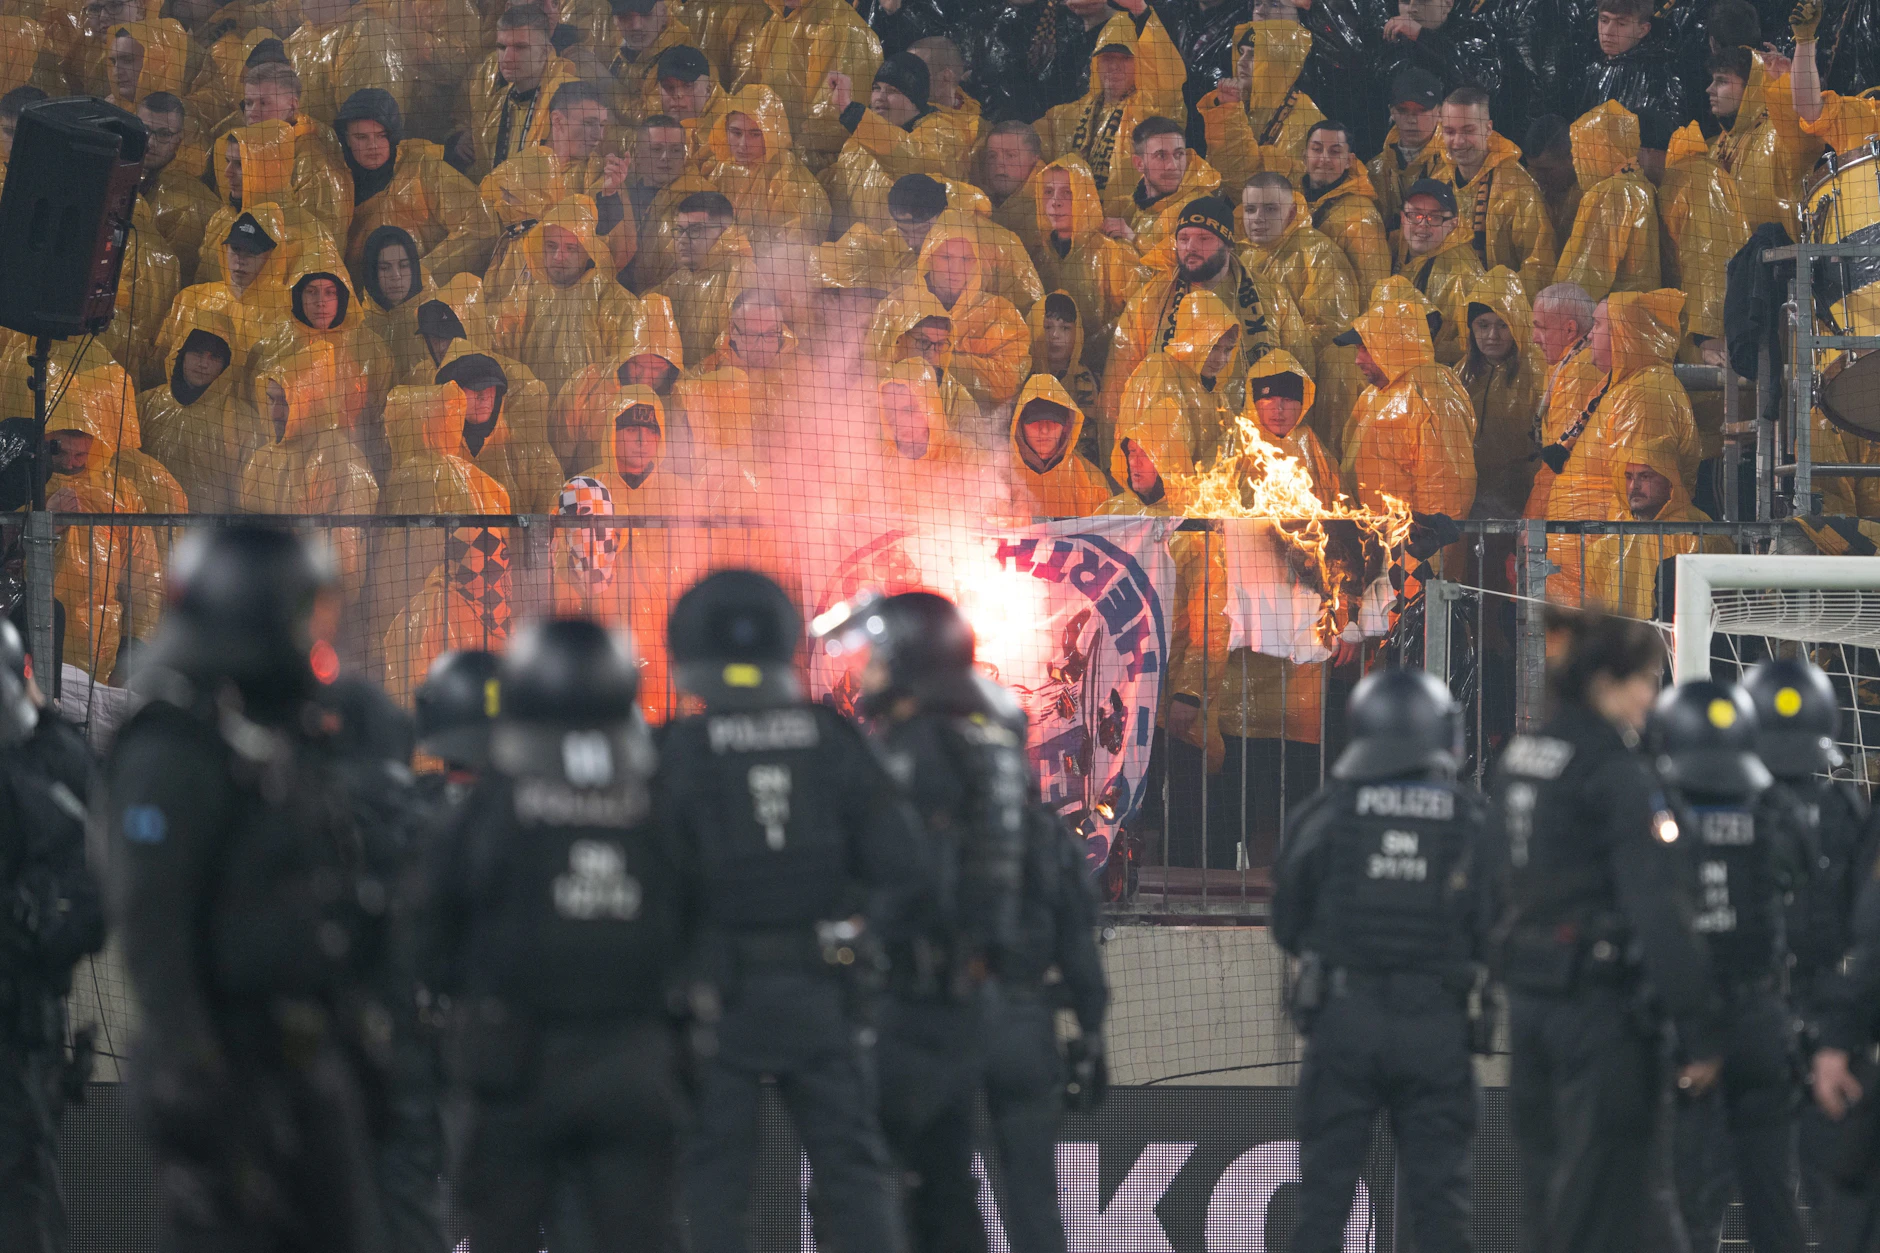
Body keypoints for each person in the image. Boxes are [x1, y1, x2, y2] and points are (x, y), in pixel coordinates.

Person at [102, 526, 388, 1252]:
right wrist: (195, 1068)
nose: (317, 633)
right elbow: (151, 924)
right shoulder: (174, 744)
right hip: (227, 1069)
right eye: (306, 612)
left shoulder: (281, 732)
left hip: (308, 1062)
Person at [660, 569, 924, 1253]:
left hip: (715, 999)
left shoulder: (680, 750)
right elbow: (903, 863)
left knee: (716, 1184)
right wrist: (855, 928)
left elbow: (651, 877)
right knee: (854, 1174)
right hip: (821, 989)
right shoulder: (829, 737)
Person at [420, 617, 687, 1253]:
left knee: (500, 1233)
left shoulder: (496, 800)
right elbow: (699, 911)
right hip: (636, 1058)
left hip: (515, 1062)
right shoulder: (660, 794)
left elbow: (429, 920)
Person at [1493, 609, 1723, 1253]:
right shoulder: (1615, 771)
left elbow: (1488, 879)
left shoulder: (1519, 758)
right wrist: (1700, 1030)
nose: (1653, 696)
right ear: (1605, 683)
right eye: (1645, 680)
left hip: (1532, 1001)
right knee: (1604, 1198)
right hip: (1601, 1011)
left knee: (1544, 1193)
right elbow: (1658, 906)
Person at [821, 590, 1028, 1253]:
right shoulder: (986, 737)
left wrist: (851, 935)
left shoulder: (915, 748)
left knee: (852, 1185)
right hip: (966, 995)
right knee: (942, 1188)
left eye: (878, 655)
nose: (867, 671)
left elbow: (913, 877)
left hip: (912, 1000)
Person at [1273, 667, 1496, 1253]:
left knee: (1322, 1207)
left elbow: (1286, 924)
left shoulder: (1327, 812)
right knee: (1441, 1211)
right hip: (1437, 1027)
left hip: (1344, 1021)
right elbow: (1498, 926)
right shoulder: (1470, 819)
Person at [1642, 679, 1810, 1253]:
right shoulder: (1773, 812)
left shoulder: (1654, 821)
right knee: (1773, 1198)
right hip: (1761, 1018)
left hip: (1688, 1031)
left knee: (1690, 1198)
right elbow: (1811, 908)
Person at [1741, 658, 1877, 1252]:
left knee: (1744, 1190)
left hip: (1755, 1019)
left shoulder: (1729, 812)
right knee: (1835, 1198)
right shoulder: (1845, 811)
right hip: (1828, 1024)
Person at [0, 618, 103, 1253]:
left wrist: (49, 937)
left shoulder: (53, 762)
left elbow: (100, 883)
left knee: (27, 1204)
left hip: (25, 1022)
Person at [985, 798, 1108, 1253]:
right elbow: (1077, 942)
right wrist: (1091, 1029)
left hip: (940, 1020)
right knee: (1034, 1193)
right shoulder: (1046, 834)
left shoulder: (919, 815)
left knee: (937, 1185)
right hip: (1022, 1019)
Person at [1097, 194, 1313, 435]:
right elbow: (1117, 387)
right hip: (1170, 444)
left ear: (1228, 244)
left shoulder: (1272, 298)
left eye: (1204, 238)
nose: (1190, 247)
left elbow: (1301, 375)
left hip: (1252, 448)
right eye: (1183, 238)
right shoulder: (1150, 299)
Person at [1543, 291, 1699, 603]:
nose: (1590, 334)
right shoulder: (1621, 388)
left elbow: (1642, 496)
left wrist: (1612, 562)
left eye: (1599, 325)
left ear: (1625, 335)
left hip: (1614, 568)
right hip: (1588, 565)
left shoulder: (1645, 394)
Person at [1238, 170, 1364, 446]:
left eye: (1270, 209)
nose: (1258, 218)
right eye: (1251, 209)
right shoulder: (1244, 257)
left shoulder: (1316, 252)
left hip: (1300, 384)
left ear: (1291, 212)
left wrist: (1278, 357)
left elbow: (1332, 329)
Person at [1335, 282, 1478, 520]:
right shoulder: (1373, 393)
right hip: (1371, 534)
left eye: (1366, 349)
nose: (1358, 360)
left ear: (1390, 346)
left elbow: (1446, 480)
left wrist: (1428, 542)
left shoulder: (1432, 394)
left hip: (1410, 542)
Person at [335, 87, 497, 290]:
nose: (373, 145)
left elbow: (483, 225)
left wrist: (418, 277)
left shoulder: (425, 170)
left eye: (381, 135)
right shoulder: (336, 185)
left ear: (393, 135)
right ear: (346, 139)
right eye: (361, 137)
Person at [489, 197, 646, 400]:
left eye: (571, 248)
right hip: (535, 414)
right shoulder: (524, 296)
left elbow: (628, 369)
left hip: (593, 419)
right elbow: (498, 352)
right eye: (551, 246)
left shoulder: (613, 300)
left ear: (588, 252)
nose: (558, 257)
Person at [1039, 11, 1189, 220]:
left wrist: (1143, 11)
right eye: (1108, 58)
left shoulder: (1149, 107)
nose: (1115, 66)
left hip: (1129, 222)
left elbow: (1167, 78)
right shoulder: (1065, 115)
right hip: (1073, 222)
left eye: (1126, 58)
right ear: (1096, 63)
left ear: (1140, 64)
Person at [823, 54, 974, 237]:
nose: (880, 97)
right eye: (876, 88)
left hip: (906, 259)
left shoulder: (943, 135)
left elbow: (912, 161)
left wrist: (849, 109)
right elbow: (833, 186)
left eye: (893, 90)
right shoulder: (858, 141)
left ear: (915, 99)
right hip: (848, 255)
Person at [1583, 432, 1730, 617]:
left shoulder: (1702, 537)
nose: (1633, 486)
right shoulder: (1605, 548)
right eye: (1628, 476)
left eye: (1645, 476)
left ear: (1671, 482)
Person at [1430, 86, 1557, 300]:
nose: (1458, 142)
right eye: (1450, 131)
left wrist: (1493, 305)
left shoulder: (1518, 190)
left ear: (1488, 129)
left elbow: (1539, 267)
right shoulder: (1438, 182)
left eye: (1468, 130)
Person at [732, 0, 883, 173]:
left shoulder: (844, 29)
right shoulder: (780, 20)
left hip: (811, 168)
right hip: (770, 156)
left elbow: (831, 124)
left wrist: (786, 156)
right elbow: (754, 87)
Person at [1032, 155, 1148, 373]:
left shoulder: (1113, 253)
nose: (1055, 201)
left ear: (1085, 197)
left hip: (1103, 372)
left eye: (1067, 193)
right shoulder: (1038, 256)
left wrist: (1090, 350)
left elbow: (1140, 316)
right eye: (1048, 192)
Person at [1113, 287, 1243, 478]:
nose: (1220, 359)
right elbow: (1151, 451)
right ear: (1192, 338)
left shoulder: (1215, 392)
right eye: (1213, 347)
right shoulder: (1159, 371)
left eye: (1227, 350)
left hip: (1202, 500)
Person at [455, 4, 580, 180]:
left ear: (544, 51)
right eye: (501, 47)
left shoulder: (571, 100)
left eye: (520, 47)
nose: (507, 58)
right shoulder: (498, 101)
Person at [1554, 101, 1662, 302]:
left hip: (1607, 322)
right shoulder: (1641, 185)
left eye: (1578, 150)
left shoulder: (1609, 193)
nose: (1575, 161)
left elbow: (1587, 274)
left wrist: (1558, 316)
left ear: (1599, 149)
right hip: (1635, 316)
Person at [1457, 267, 1543, 518]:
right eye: (1482, 325)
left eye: (1503, 325)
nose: (1492, 336)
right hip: (1470, 495)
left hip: (1522, 496)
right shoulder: (1461, 372)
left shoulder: (1539, 373)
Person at [1196, 20, 1324, 187]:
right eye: (1241, 52)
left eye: (1253, 55)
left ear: (1278, 61)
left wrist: (1228, 113)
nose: (1241, 62)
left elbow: (1258, 187)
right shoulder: (1241, 104)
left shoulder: (1304, 121)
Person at [700, 84, 831, 240]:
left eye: (755, 134)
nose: (743, 144)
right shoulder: (716, 167)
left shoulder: (787, 176)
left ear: (772, 134)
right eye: (736, 132)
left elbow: (793, 240)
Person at [651, 190, 753, 370]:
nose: (683, 240)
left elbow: (740, 352)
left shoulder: (741, 274)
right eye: (680, 231)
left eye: (695, 230)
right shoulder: (680, 278)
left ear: (724, 232)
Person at [1300, 120, 1392, 305]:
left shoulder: (1361, 217)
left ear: (1349, 161)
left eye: (1335, 152)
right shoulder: (1293, 199)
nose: (1324, 159)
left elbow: (1373, 292)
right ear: (1304, 156)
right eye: (1317, 149)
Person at [1394, 178, 1484, 364]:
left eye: (1435, 217)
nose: (1423, 225)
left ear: (1453, 224)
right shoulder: (1397, 248)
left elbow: (1464, 349)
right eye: (1415, 215)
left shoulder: (1459, 272)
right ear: (1403, 218)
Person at [136, 91, 221, 280]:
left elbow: (175, 278)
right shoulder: (119, 171)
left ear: (178, 140)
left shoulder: (189, 204)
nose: (150, 142)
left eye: (164, 134)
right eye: (144, 129)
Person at [1005, 374, 1112, 517]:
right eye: (1035, 421)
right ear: (1020, 425)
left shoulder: (1091, 480)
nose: (1044, 430)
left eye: (1053, 421)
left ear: (1066, 425)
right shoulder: (999, 477)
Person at [1569, 0, 1687, 126]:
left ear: (1643, 30)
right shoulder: (1590, 70)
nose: (1608, 32)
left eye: (1621, 24)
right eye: (1604, 20)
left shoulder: (1657, 76)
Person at [1117, 115, 1224, 252]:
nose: (1172, 166)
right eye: (1161, 156)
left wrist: (1133, 240)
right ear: (1139, 164)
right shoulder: (1131, 205)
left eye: (1179, 154)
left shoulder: (1200, 209)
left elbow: (1186, 265)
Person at [1366, 67, 1444, 233]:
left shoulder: (1455, 166)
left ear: (1440, 112)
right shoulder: (1374, 170)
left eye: (1422, 110)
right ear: (1392, 112)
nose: (1412, 120)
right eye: (1403, 110)